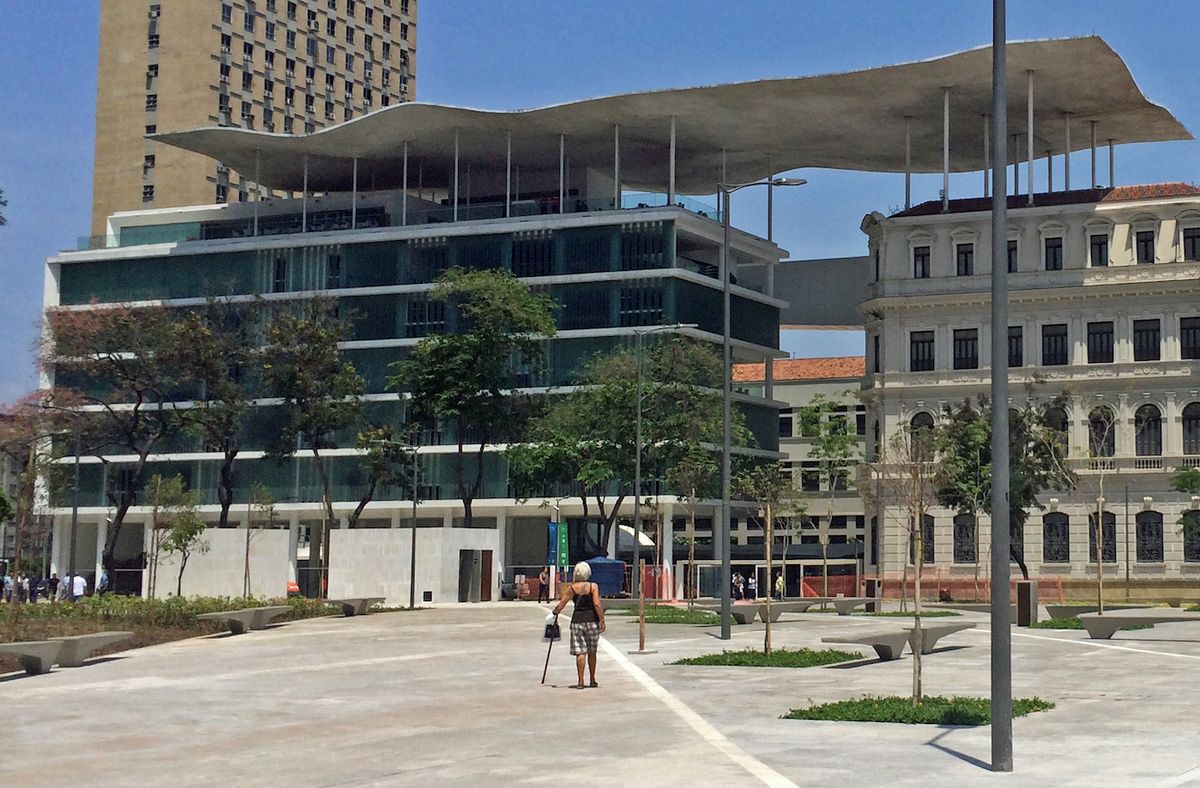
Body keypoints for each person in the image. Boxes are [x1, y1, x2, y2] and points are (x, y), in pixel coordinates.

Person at [551, 562, 605, 690]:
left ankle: (580, 681)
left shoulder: (572, 588)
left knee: (580, 652)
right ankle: (592, 679)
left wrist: (555, 611)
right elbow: (597, 603)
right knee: (592, 651)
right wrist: (602, 619)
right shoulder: (593, 586)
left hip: (577, 621)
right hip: (592, 621)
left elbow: (562, 603)